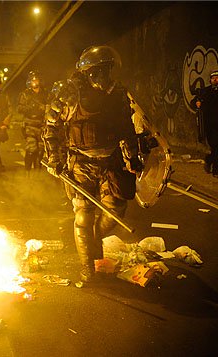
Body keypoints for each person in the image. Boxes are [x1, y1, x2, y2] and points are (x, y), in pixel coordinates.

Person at [43, 45, 142, 288]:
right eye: (104, 70)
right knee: (83, 216)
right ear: (92, 72)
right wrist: (54, 159)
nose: (109, 75)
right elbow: (50, 128)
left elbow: (127, 127)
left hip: (111, 160)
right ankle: (88, 268)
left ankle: (93, 242)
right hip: (81, 162)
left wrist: (133, 156)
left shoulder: (117, 94)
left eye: (111, 69)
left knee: (116, 211)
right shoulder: (69, 93)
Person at [192, 70, 218, 179]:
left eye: (217, 77)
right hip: (211, 126)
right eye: (212, 78)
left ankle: (209, 159)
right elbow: (194, 102)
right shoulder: (205, 92)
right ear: (210, 80)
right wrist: (197, 103)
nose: (215, 79)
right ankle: (217, 171)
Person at [18, 71, 49, 171]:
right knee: (31, 149)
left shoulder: (45, 93)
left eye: (36, 80)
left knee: (41, 150)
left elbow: (50, 106)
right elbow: (19, 108)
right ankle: (27, 172)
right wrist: (30, 107)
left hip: (42, 124)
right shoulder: (25, 94)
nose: (35, 82)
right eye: (33, 80)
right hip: (29, 124)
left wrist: (43, 107)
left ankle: (37, 172)